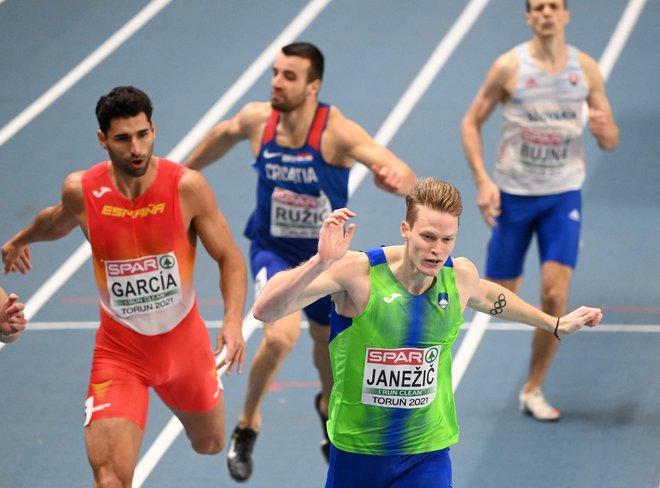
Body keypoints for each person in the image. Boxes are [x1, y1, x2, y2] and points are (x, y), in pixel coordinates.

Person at [252, 177, 602, 487]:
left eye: (447, 239)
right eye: (428, 236)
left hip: (426, 452)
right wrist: (320, 263)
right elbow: (265, 310)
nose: (437, 249)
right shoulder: (358, 275)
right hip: (357, 450)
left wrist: (553, 324)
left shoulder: (459, 277)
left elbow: (491, 295)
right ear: (406, 230)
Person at [184, 41, 416, 479]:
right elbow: (222, 134)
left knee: (328, 355)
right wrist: (182, 174)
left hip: (327, 260)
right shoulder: (259, 121)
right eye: (275, 72)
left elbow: (396, 168)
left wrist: (393, 178)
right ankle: (247, 426)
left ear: (314, 86)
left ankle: (328, 412)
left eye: (289, 76)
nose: (277, 81)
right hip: (274, 253)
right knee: (278, 338)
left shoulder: (337, 132)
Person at [1, 86, 247, 487]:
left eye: (143, 134)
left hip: (185, 347)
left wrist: (233, 321)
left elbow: (230, 257)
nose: (136, 148)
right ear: (102, 139)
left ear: (153, 130)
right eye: (122, 138)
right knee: (110, 478)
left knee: (211, 442)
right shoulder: (83, 191)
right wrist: (21, 240)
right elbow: (54, 220)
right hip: (120, 353)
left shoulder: (186, 187)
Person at [460, 0, 618, 421]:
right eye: (538, 7)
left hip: (562, 197)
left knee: (554, 295)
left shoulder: (586, 69)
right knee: (491, 291)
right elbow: (470, 121)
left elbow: (611, 138)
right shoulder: (509, 67)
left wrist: (606, 133)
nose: (546, 13)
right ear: (529, 18)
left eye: (553, 6)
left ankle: (533, 388)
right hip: (513, 194)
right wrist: (482, 181)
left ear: (565, 15)